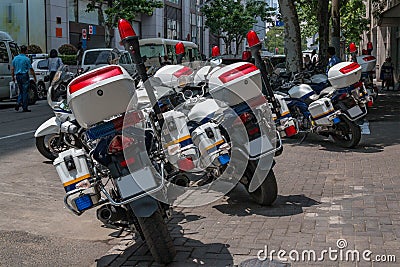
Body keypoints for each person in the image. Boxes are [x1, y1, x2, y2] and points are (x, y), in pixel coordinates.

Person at [11, 45, 37, 112]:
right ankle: (24, 107)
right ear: (25, 50)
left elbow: (12, 69)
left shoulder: (15, 58)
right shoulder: (26, 59)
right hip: (24, 75)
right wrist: (34, 77)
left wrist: (13, 77)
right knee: (25, 91)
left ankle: (18, 102)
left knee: (21, 90)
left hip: (18, 75)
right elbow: (31, 69)